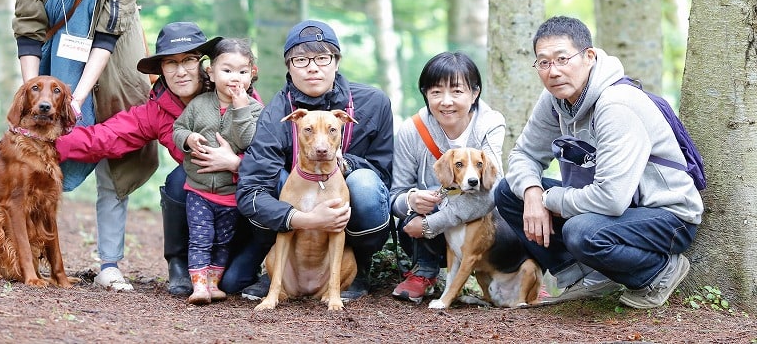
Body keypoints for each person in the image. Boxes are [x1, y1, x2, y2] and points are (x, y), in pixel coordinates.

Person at [13, 0, 157, 291]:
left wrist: (79, 95)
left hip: (110, 64)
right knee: (35, 152)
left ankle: (110, 263)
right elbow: (27, 28)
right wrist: (32, 94)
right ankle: (32, 253)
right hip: (51, 61)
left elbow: (109, 35)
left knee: (116, 146)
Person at [494, 16, 704, 309]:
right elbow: (523, 155)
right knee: (508, 192)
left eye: (563, 59)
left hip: (666, 216)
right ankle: (582, 278)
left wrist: (549, 198)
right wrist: (531, 193)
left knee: (582, 232)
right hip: (612, 211)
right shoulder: (554, 100)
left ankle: (657, 272)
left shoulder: (616, 104)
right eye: (543, 62)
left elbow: (611, 200)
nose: (553, 71)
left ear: (589, 56)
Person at [55, 22, 260, 296]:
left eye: (188, 60)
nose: (181, 71)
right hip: (202, 199)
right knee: (178, 180)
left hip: (239, 198)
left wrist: (235, 163)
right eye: (170, 63)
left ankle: (254, 256)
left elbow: (265, 154)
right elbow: (106, 137)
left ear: (203, 65)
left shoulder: (236, 92)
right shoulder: (158, 110)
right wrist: (44, 141)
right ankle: (179, 262)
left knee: (234, 284)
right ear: (161, 70)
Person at [236, 19, 394, 301]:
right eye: (300, 59)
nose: (312, 67)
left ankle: (355, 268)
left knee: (365, 185)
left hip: (346, 204)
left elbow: (383, 174)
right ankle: (279, 271)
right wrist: (302, 218)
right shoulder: (276, 112)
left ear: (336, 61)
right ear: (288, 66)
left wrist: (345, 164)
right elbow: (251, 190)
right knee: (276, 182)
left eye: (322, 57)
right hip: (295, 208)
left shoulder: (373, 102)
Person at [389, 52, 506, 303]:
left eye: (457, 91)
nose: (446, 101)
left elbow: (494, 188)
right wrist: (410, 201)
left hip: (480, 227)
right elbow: (395, 195)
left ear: (474, 93)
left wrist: (434, 223)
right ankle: (424, 270)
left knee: (510, 202)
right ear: (425, 95)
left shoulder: (490, 123)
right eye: (435, 92)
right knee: (430, 194)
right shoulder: (412, 130)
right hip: (425, 231)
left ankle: (511, 273)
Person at [173, 38, 263, 305]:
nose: (235, 77)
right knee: (201, 238)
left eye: (242, 72)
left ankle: (213, 284)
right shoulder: (199, 104)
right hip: (199, 191)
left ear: (252, 74)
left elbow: (248, 141)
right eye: (227, 70)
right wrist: (188, 139)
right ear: (210, 72)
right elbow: (178, 128)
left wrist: (241, 108)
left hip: (230, 194)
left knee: (222, 241)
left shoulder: (256, 111)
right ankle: (199, 286)